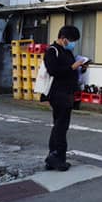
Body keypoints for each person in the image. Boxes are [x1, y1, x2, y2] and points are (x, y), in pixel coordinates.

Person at [42, 25, 87, 171]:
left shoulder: (67, 51)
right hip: (57, 93)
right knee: (61, 125)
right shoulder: (52, 51)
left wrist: (81, 68)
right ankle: (56, 158)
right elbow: (53, 70)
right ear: (63, 39)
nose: (73, 43)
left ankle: (54, 157)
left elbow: (69, 71)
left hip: (67, 92)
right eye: (72, 40)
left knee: (60, 125)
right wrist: (73, 67)